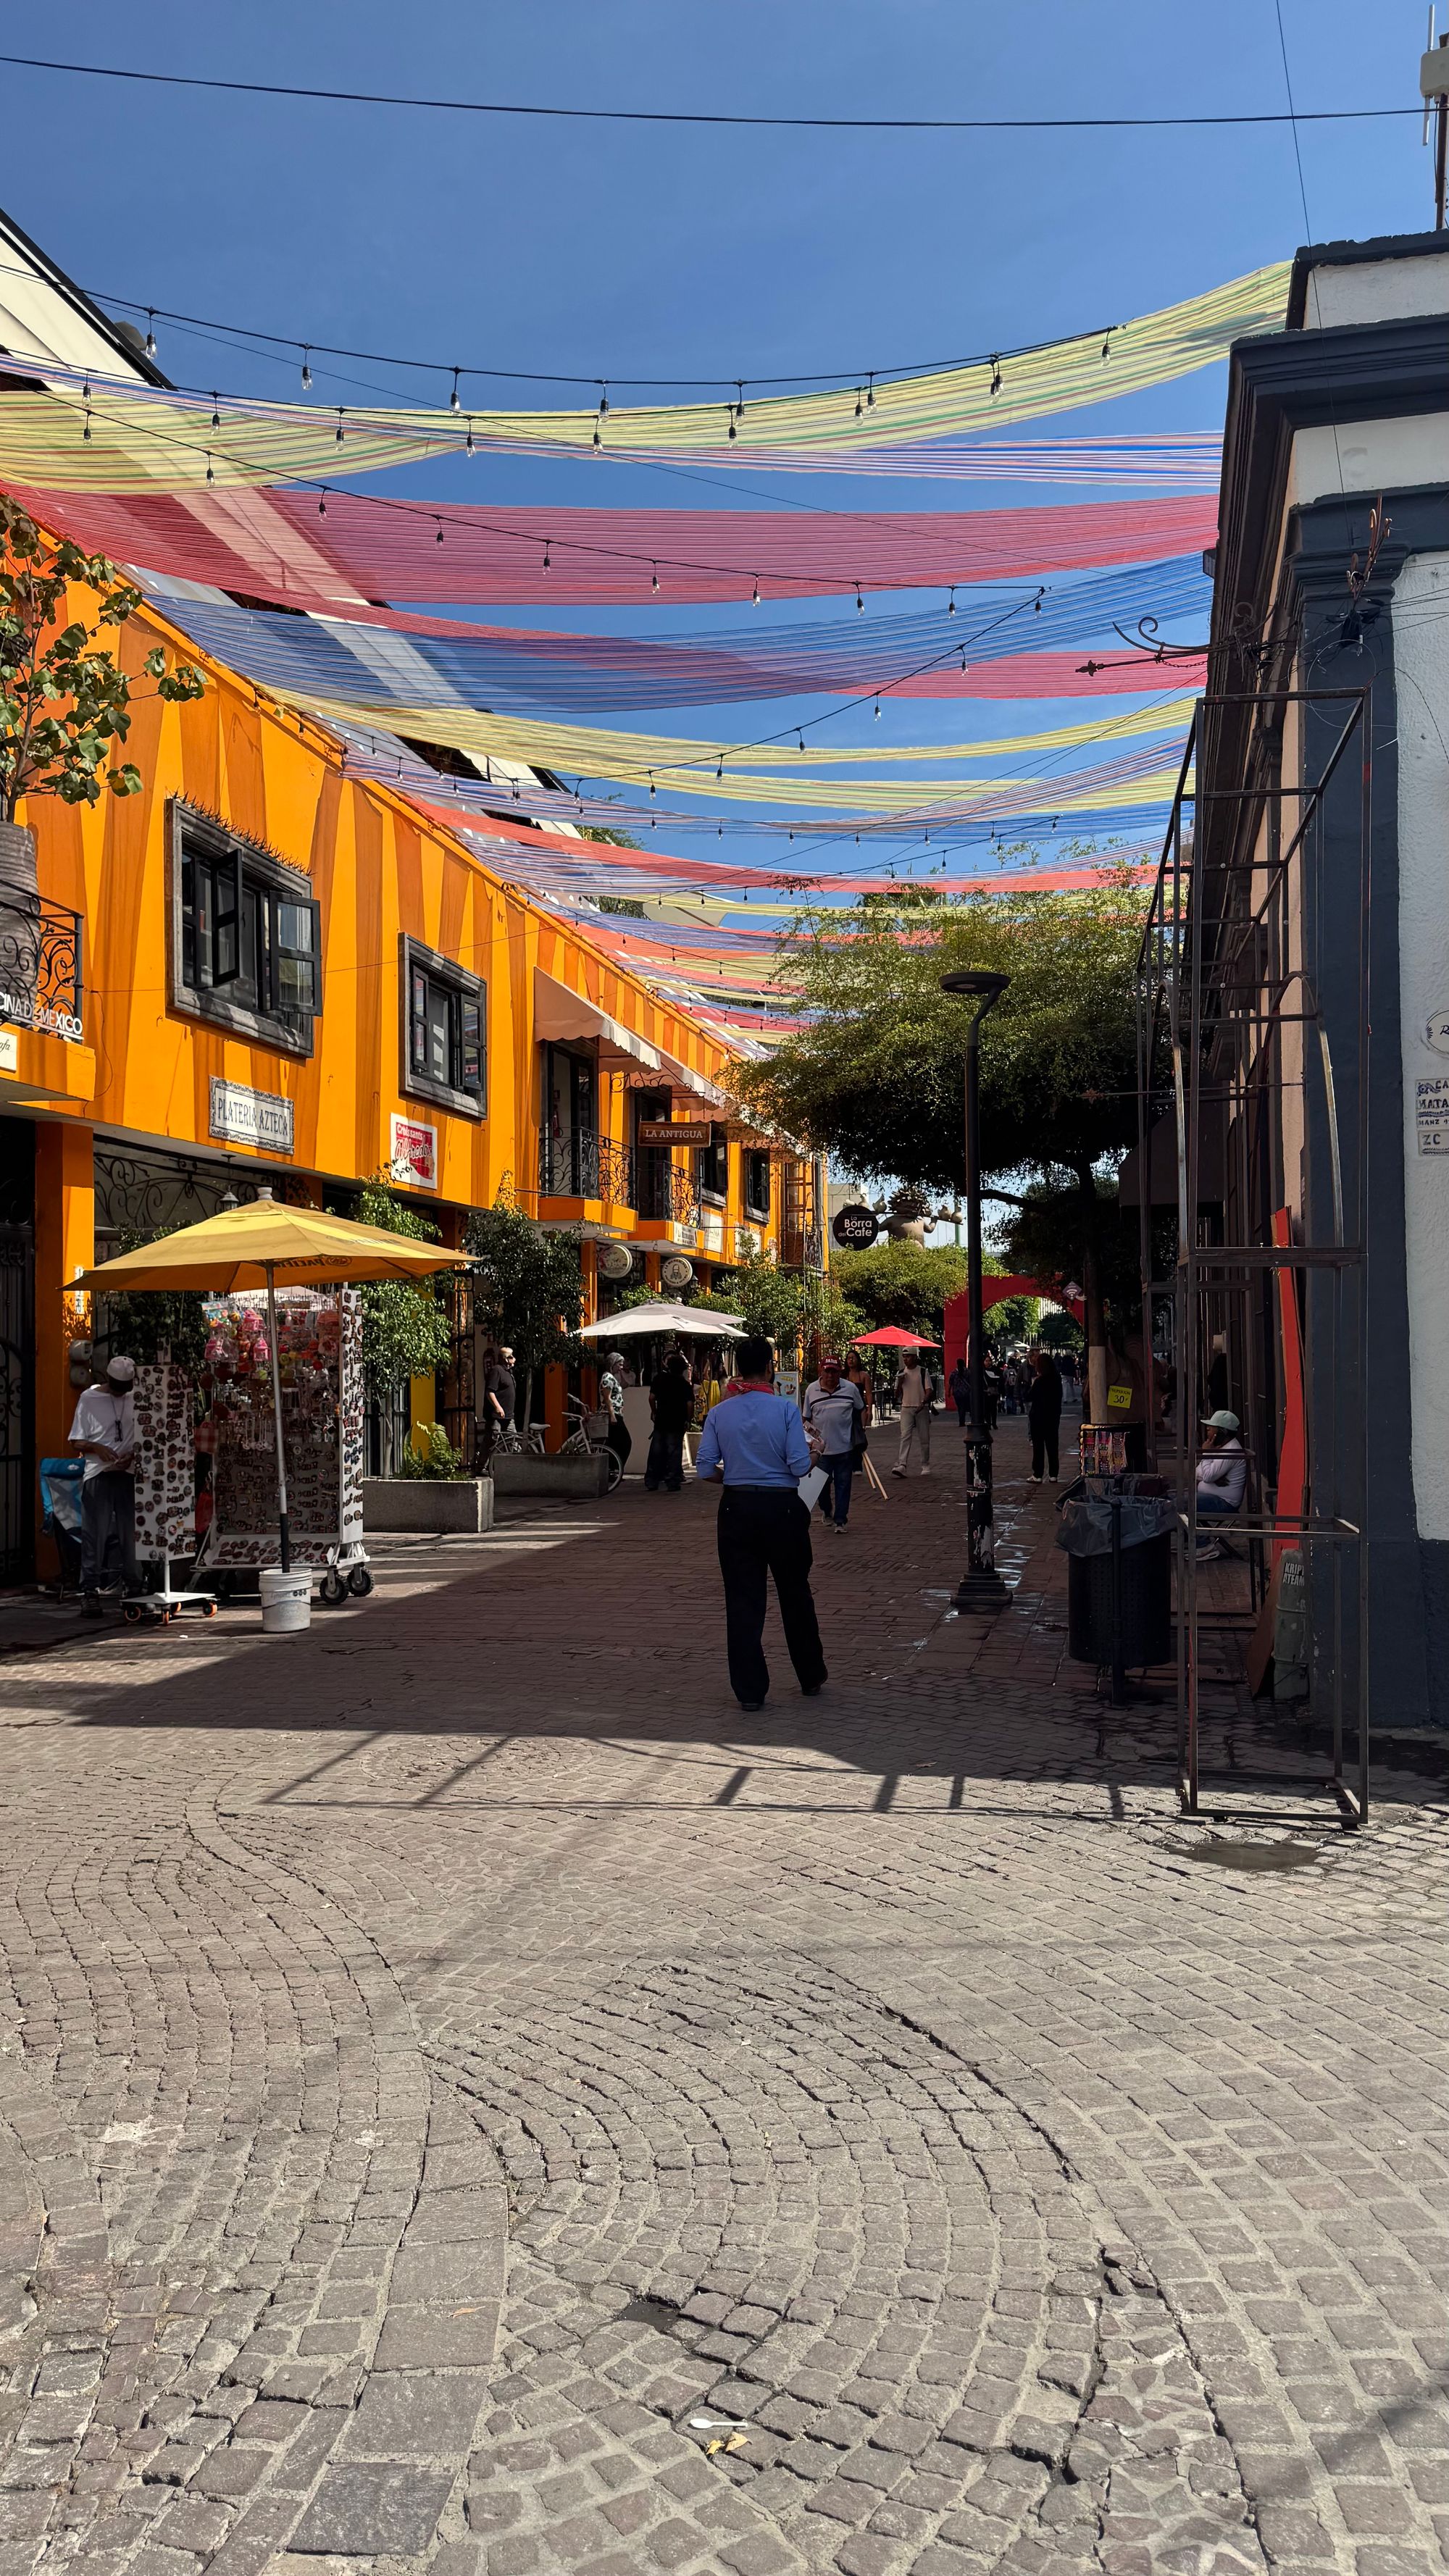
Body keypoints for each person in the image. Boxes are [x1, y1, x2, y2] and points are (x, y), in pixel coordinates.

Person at [695, 1334, 826, 1711]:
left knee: (742, 1599)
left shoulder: (720, 1412)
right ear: (769, 1367)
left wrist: (734, 1480)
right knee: (795, 1593)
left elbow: (705, 1468)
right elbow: (800, 1467)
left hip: (736, 1508)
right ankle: (810, 1675)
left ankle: (750, 1691)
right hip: (782, 1508)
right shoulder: (784, 1411)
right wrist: (817, 1453)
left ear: (738, 1368)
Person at [70, 1352, 139, 1614]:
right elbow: (76, 1440)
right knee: (94, 1535)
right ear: (109, 1380)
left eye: (126, 1389)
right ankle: (89, 1590)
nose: (122, 1394)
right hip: (98, 1473)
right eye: (118, 1388)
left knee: (131, 1534)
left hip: (128, 1472)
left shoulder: (136, 1398)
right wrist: (98, 1448)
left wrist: (131, 1455)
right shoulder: (89, 1398)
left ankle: (134, 1585)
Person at [802, 1354, 866, 1533]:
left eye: (834, 1372)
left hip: (845, 1447)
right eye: (827, 1372)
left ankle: (840, 1520)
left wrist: (862, 1430)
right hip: (821, 1450)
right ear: (821, 1372)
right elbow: (806, 1418)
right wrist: (808, 1441)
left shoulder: (850, 1389)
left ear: (840, 1373)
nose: (830, 1376)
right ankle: (826, 1511)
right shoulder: (811, 1390)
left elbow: (861, 1409)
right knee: (822, 1486)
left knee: (844, 1484)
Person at [1195, 1408, 1247, 1558]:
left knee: (1184, 1503)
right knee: (1173, 1500)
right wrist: (1210, 1474)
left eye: (1212, 1427)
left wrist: (1207, 1455)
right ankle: (1192, 1542)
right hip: (1211, 1498)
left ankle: (1204, 1545)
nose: (1208, 1430)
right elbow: (1197, 1472)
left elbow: (1208, 1475)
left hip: (1224, 1504)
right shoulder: (1220, 1448)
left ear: (1222, 1432)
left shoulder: (1231, 1450)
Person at [645, 1351, 694, 1492]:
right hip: (677, 1421)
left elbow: (651, 1398)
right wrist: (688, 1420)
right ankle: (673, 1481)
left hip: (661, 1420)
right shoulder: (684, 1385)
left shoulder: (659, 1379)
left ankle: (652, 1481)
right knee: (674, 1452)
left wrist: (654, 1412)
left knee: (656, 1451)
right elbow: (690, 1404)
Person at [892, 1349, 935, 1476]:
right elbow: (897, 1394)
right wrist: (900, 1383)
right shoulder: (901, 1373)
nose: (905, 1359)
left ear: (915, 1357)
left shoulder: (923, 1371)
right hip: (906, 1407)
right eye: (904, 1357)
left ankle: (925, 1464)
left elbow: (929, 1390)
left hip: (921, 1408)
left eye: (908, 1357)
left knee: (924, 1437)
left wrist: (923, 1403)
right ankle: (902, 1464)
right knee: (905, 1436)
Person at [1027, 1347, 1063, 1484]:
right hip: (1053, 1417)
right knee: (1053, 1446)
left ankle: (1038, 1474)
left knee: (1039, 1447)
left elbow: (1030, 1396)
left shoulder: (1040, 1381)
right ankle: (1054, 1474)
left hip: (1038, 1417)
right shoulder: (1057, 1379)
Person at [480, 1344, 517, 1462]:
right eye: (512, 1357)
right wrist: (498, 1407)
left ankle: (515, 1465)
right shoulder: (497, 1370)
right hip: (496, 1416)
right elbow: (490, 1391)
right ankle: (481, 1466)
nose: (514, 1359)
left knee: (513, 1439)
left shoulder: (508, 1372)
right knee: (492, 1439)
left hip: (508, 1416)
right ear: (506, 1359)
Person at [599, 1350, 632, 1475]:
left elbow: (625, 1385)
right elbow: (607, 1399)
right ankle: (614, 1469)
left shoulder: (612, 1377)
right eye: (620, 1364)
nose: (621, 1367)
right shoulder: (607, 1378)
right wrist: (612, 1415)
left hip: (618, 1414)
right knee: (625, 1442)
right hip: (613, 1415)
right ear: (613, 1364)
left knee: (616, 1443)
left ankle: (614, 1470)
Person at [947, 1357, 971, 1429]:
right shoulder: (967, 1372)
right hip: (965, 1392)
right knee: (963, 1406)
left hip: (957, 1392)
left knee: (960, 1407)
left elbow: (951, 1383)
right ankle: (962, 1421)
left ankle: (961, 1421)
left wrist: (949, 1392)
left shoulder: (954, 1373)